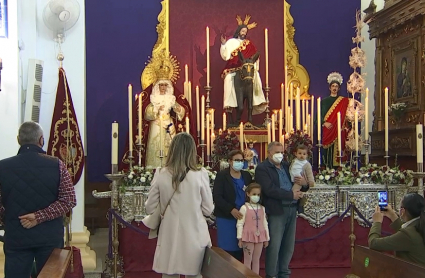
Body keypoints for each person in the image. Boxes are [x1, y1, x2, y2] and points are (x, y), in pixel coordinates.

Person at [0, 121, 76, 278]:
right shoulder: (57, 165)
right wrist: (39, 216)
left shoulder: (3, 167)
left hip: (16, 236)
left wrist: (9, 218)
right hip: (49, 237)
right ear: (41, 140)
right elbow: (69, 200)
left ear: (18, 139)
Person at [144, 133, 214, 278]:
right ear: (192, 151)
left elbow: (149, 208)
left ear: (172, 150)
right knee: (194, 274)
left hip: (169, 235)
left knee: (170, 274)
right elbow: (208, 209)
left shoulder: (161, 173)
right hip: (195, 233)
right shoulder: (201, 174)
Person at [255, 141, 309, 278]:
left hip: (292, 208)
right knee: (275, 245)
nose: (280, 155)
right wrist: (290, 195)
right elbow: (269, 190)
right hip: (277, 210)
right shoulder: (262, 168)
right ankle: (272, 274)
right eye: (277, 152)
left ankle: (284, 273)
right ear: (269, 153)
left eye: (282, 152)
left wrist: (304, 184)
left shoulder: (287, 166)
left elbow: (299, 181)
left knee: (288, 245)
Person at [139, 51, 192, 168]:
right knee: (155, 145)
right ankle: (153, 168)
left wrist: (177, 107)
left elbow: (182, 112)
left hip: (168, 123)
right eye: (161, 85)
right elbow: (146, 114)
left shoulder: (171, 98)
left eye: (165, 85)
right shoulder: (153, 98)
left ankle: (171, 167)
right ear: (157, 86)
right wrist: (156, 109)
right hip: (156, 125)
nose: (163, 87)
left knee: (170, 145)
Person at [220, 15, 266, 121]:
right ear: (239, 31)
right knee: (228, 79)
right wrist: (223, 44)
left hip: (247, 68)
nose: (244, 33)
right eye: (242, 31)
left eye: (245, 31)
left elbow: (255, 56)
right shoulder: (231, 42)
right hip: (234, 67)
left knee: (256, 77)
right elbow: (225, 55)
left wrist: (255, 67)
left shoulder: (249, 43)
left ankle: (257, 100)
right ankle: (229, 105)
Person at [213, 149, 253, 261]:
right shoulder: (222, 176)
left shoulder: (246, 176)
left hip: (243, 217)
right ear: (230, 161)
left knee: (240, 248)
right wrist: (231, 210)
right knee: (227, 250)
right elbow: (217, 197)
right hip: (226, 217)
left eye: (241, 160)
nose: (239, 162)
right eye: (236, 160)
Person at [369, 193, 425, 266]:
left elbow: (373, 244)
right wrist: (392, 215)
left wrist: (377, 222)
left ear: (402, 211)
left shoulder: (407, 235)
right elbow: (408, 231)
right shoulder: (419, 224)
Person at [236, 183, 269, 274]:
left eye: (258, 195)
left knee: (256, 259)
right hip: (248, 237)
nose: (256, 196)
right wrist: (240, 238)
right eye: (254, 194)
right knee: (247, 259)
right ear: (248, 194)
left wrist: (266, 238)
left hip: (260, 237)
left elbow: (265, 223)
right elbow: (240, 223)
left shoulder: (262, 208)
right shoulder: (244, 208)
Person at [321, 72, 350, 168]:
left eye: (336, 86)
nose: (334, 88)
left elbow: (348, 115)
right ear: (329, 88)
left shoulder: (344, 101)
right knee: (328, 152)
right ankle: (328, 169)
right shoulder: (324, 101)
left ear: (339, 88)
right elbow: (318, 116)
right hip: (329, 129)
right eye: (332, 86)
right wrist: (324, 123)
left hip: (340, 130)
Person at [289, 144, 315, 209]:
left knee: (294, 191)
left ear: (307, 155)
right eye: (300, 153)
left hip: (299, 180)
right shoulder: (294, 161)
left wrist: (311, 182)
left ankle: (297, 201)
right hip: (292, 179)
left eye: (304, 154)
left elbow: (309, 174)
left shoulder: (306, 164)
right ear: (296, 154)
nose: (301, 155)